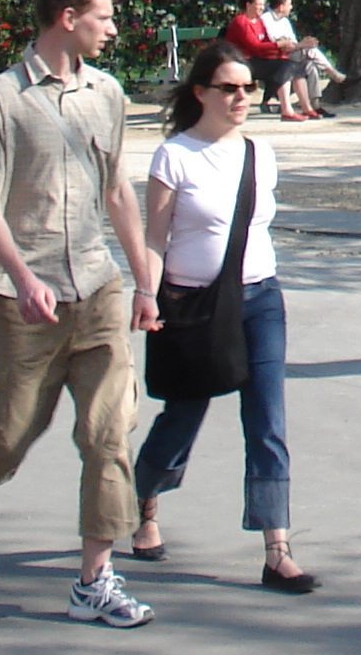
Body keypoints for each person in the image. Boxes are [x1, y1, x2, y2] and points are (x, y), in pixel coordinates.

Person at [0, 0, 164, 626]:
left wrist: (144, 281)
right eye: (103, 16)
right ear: (66, 17)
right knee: (4, 439)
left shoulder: (106, 95)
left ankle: (93, 582)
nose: (113, 28)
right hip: (20, 300)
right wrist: (21, 277)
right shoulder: (1, 97)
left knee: (107, 436)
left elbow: (118, 193)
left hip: (96, 288)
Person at [127, 42, 315, 593]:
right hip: (193, 303)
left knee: (267, 418)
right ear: (201, 93)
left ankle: (276, 547)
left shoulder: (260, 153)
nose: (241, 97)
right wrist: (147, 293)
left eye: (248, 87)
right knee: (183, 416)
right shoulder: (175, 156)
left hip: (259, 298)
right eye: (229, 88)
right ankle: (142, 501)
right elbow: (155, 240)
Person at [257, 0, 318, 122]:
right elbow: (273, 42)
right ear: (281, 6)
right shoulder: (264, 19)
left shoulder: (285, 21)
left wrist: (296, 44)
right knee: (294, 64)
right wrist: (296, 44)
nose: (291, 7)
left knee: (307, 65)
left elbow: (291, 41)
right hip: (269, 55)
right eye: (289, 4)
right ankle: (290, 110)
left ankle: (308, 107)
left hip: (286, 52)